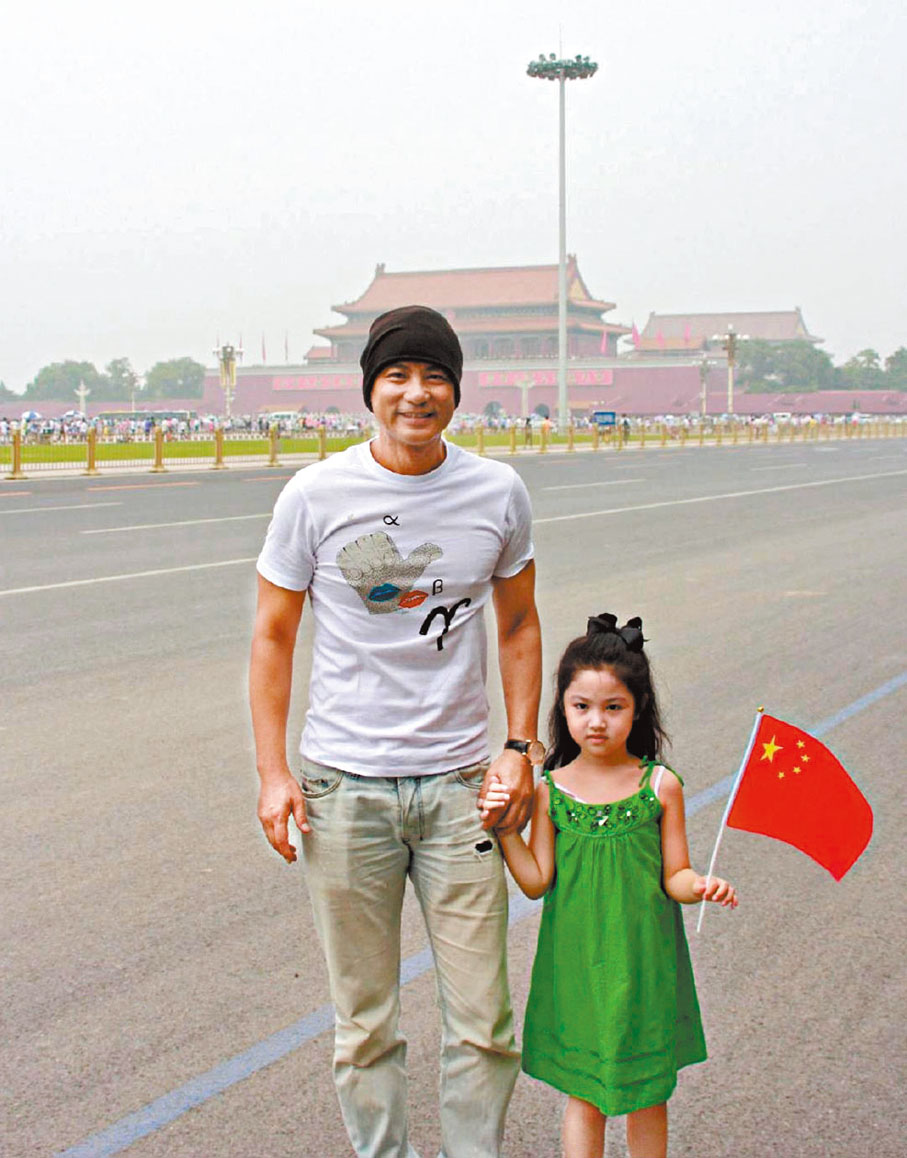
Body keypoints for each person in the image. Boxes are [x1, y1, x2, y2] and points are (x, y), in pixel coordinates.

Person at [249, 304, 543, 1158]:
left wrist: (520, 749)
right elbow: (272, 636)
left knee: (484, 1020)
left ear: (457, 390)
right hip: (344, 790)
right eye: (397, 376)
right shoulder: (315, 495)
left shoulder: (497, 492)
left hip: (462, 790)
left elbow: (518, 624)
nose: (417, 394)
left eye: (435, 376)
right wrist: (273, 774)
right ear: (369, 390)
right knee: (365, 1021)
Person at [481, 614, 737, 1158]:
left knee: (648, 1094)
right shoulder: (550, 791)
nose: (596, 722)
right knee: (585, 1094)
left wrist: (701, 885)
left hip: (644, 965)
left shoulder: (660, 786)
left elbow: (675, 875)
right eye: (582, 706)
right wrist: (505, 832)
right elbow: (536, 881)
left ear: (637, 708)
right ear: (562, 707)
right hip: (576, 966)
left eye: (613, 707)